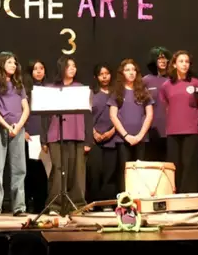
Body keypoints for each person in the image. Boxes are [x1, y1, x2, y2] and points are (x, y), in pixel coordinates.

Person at [41, 56, 92, 215]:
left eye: (74, 66)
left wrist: (88, 139)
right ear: (62, 68)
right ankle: (55, 205)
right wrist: (44, 139)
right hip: (56, 134)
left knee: (78, 172)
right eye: (69, 66)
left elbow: (88, 115)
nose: (72, 68)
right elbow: (44, 116)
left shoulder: (80, 88)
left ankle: (77, 205)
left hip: (78, 134)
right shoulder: (51, 89)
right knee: (58, 169)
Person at [0, 51, 30, 217]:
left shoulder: (18, 85)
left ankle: (19, 207)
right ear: (1, 64)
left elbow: (26, 109)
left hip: (17, 129)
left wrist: (18, 127)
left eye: (14, 63)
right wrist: (7, 126)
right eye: (9, 62)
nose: (13, 65)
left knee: (19, 169)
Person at [159, 50, 198, 193]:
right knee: (175, 166)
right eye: (181, 61)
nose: (184, 64)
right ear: (174, 64)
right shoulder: (166, 85)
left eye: (187, 62)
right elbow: (166, 106)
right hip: (173, 131)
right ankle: (175, 195)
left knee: (190, 165)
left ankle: (189, 197)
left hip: (192, 130)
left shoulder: (196, 82)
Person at [108, 59, 154, 188]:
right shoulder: (117, 92)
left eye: (133, 70)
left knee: (140, 171)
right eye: (127, 70)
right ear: (122, 73)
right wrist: (126, 135)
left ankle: (139, 196)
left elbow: (149, 115)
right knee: (125, 171)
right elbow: (113, 115)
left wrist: (140, 136)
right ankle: (125, 198)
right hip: (123, 139)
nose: (131, 72)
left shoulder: (143, 91)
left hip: (141, 138)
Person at [87, 63, 117, 207]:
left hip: (113, 138)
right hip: (94, 139)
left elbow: (120, 115)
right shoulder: (91, 94)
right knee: (95, 172)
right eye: (101, 74)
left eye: (107, 73)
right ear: (96, 77)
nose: (104, 77)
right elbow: (86, 116)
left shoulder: (116, 93)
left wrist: (111, 132)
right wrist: (94, 132)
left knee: (110, 172)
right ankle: (94, 203)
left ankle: (108, 203)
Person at [22, 59, 48, 213]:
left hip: (46, 134)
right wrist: (23, 130)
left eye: (41, 68)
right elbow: (21, 112)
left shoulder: (49, 89)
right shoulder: (25, 90)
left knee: (45, 172)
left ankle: (43, 203)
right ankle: (30, 204)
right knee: (31, 171)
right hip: (31, 134)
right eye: (35, 69)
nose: (39, 71)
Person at [143, 47, 172, 161]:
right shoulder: (146, 80)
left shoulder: (173, 79)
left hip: (171, 129)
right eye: (159, 58)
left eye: (165, 58)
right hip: (152, 130)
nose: (163, 61)